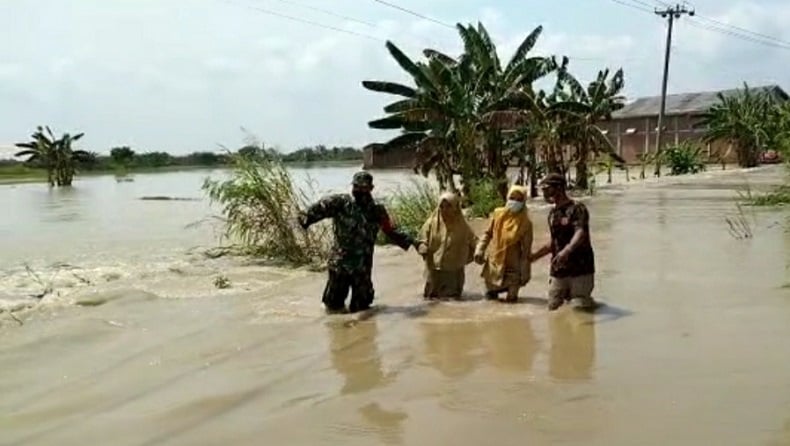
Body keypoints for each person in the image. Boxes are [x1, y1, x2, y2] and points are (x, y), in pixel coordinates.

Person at [298, 171, 416, 313]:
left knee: (362, 308)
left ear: (371, 188)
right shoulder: (340, 202)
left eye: (363, 187)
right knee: (333, 307)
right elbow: (314, 211)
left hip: (363, 266)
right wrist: (303, 220)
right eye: (356, 187)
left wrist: (414, 242)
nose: (359, 190)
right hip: (341, 263)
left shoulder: (377, 210)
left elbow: (390, 230)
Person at [530, 173, 597, 311]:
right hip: (559, 269)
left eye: (547, 189)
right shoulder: (552, 214)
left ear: (559, 188)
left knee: (579, 309)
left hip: (581, 268)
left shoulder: (577, 209)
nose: (544, 192)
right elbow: (553, 242)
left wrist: (566, 251)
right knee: (553, 308)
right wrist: (533, 257)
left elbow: (580, 233)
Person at [474, 185, 534, 303]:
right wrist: (479, 249)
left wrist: (526, 272)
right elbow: (487, 234)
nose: (514, 202)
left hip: (513, 269)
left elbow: (526, 251)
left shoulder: (526, 223)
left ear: (524, 202)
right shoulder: (497, 214)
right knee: (490, 303)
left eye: (519, 200)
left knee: (512, 305)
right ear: (507, 198)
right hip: (494, 266)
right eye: (512, 198)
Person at [416, 192, 478, 299]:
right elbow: (421, 239)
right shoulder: (431, 223)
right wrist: (422, 247)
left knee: (452, 304)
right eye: (442, 206)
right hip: (434, 271)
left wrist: (479, 253)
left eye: (448, 206)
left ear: (455, 208)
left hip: (454, 274)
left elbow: (475, 242)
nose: (444, 209)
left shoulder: (462, 226)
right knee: (430, 301)